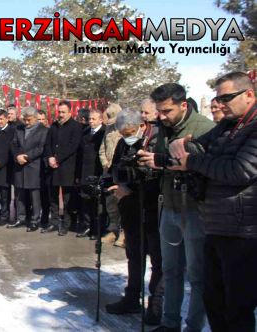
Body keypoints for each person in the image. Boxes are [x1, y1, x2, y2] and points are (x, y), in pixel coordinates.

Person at [169, 71, 257, 332]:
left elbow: (240, 171)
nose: (220, 104)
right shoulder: (227, 125)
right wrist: (181, 144)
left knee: (237, 307)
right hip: (216, 225)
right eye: (218, 98)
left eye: (227, 97)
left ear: (249, 94)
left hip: (245, 232)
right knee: (214, 301)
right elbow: (197, 147)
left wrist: (192, 162)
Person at [138, 83, 214, 332]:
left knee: (197, 276)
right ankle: (170, 323)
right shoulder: (164, 128)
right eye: (159, 111)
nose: (162, 116)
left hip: (194, 210)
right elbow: (163, 162)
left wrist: (177, 160)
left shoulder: (204, 128)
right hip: (168, 205)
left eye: (167, 110)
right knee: (170, 271)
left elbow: (210, 167)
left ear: (184, 105)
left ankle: (193, 327)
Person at [104, 110, 164, 324]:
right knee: (134, 255)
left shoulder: (156, 140)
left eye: (130, 132)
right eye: (123, 133)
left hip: (151, 207)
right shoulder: (123, 143)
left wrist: (131, 187)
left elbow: (158, 176)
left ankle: (156, 307)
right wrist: (108, 183)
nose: (127, 136)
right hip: (130, 208)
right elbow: (115, 169)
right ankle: (132, 299)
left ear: (141, 124)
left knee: (157, 260)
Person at [44, 100, 83, 236]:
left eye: (63, 112)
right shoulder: (53, 126)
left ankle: (66, 224)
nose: (60, 115)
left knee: (67, 199)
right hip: (53, 166)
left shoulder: (76, 126)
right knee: (53, 197)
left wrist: (58, 158)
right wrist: (50, 157)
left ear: (70, 112)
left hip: (67, 166)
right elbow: (47, 144)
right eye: (59, 112)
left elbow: (73, 146)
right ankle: (54, 222)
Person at [8, 107, 48, 231]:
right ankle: (21, 218)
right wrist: (17, 156)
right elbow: (13, 144)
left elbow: (40, 148)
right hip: (19, 165)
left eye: (29, 120)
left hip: (33, 166)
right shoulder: (19, 129)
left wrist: (27, 156)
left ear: (35, 118)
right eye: (24, 120)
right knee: (19, 194)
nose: (26, 122)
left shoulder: (43, 130)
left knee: (34, 195)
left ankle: (35, 220)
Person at [76, 109, 105, 239]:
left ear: (100, 120)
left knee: (96, 203)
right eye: (90, 119)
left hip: (96, 171)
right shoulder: (85, 132)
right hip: (84, 171)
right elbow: (80, 154)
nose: (91, 121)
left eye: (94, 119)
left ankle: (96, 228)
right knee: (85, 201)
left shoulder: (104, 133)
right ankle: (87, 226)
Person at [99, 103, 124, 245]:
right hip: (108, 171)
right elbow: (102, 149)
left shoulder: (125, 128)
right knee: (110, 203)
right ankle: (113, 230)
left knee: (122, 203)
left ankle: (123, 233)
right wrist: (105, 163)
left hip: (120, 171)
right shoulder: (108, 129)